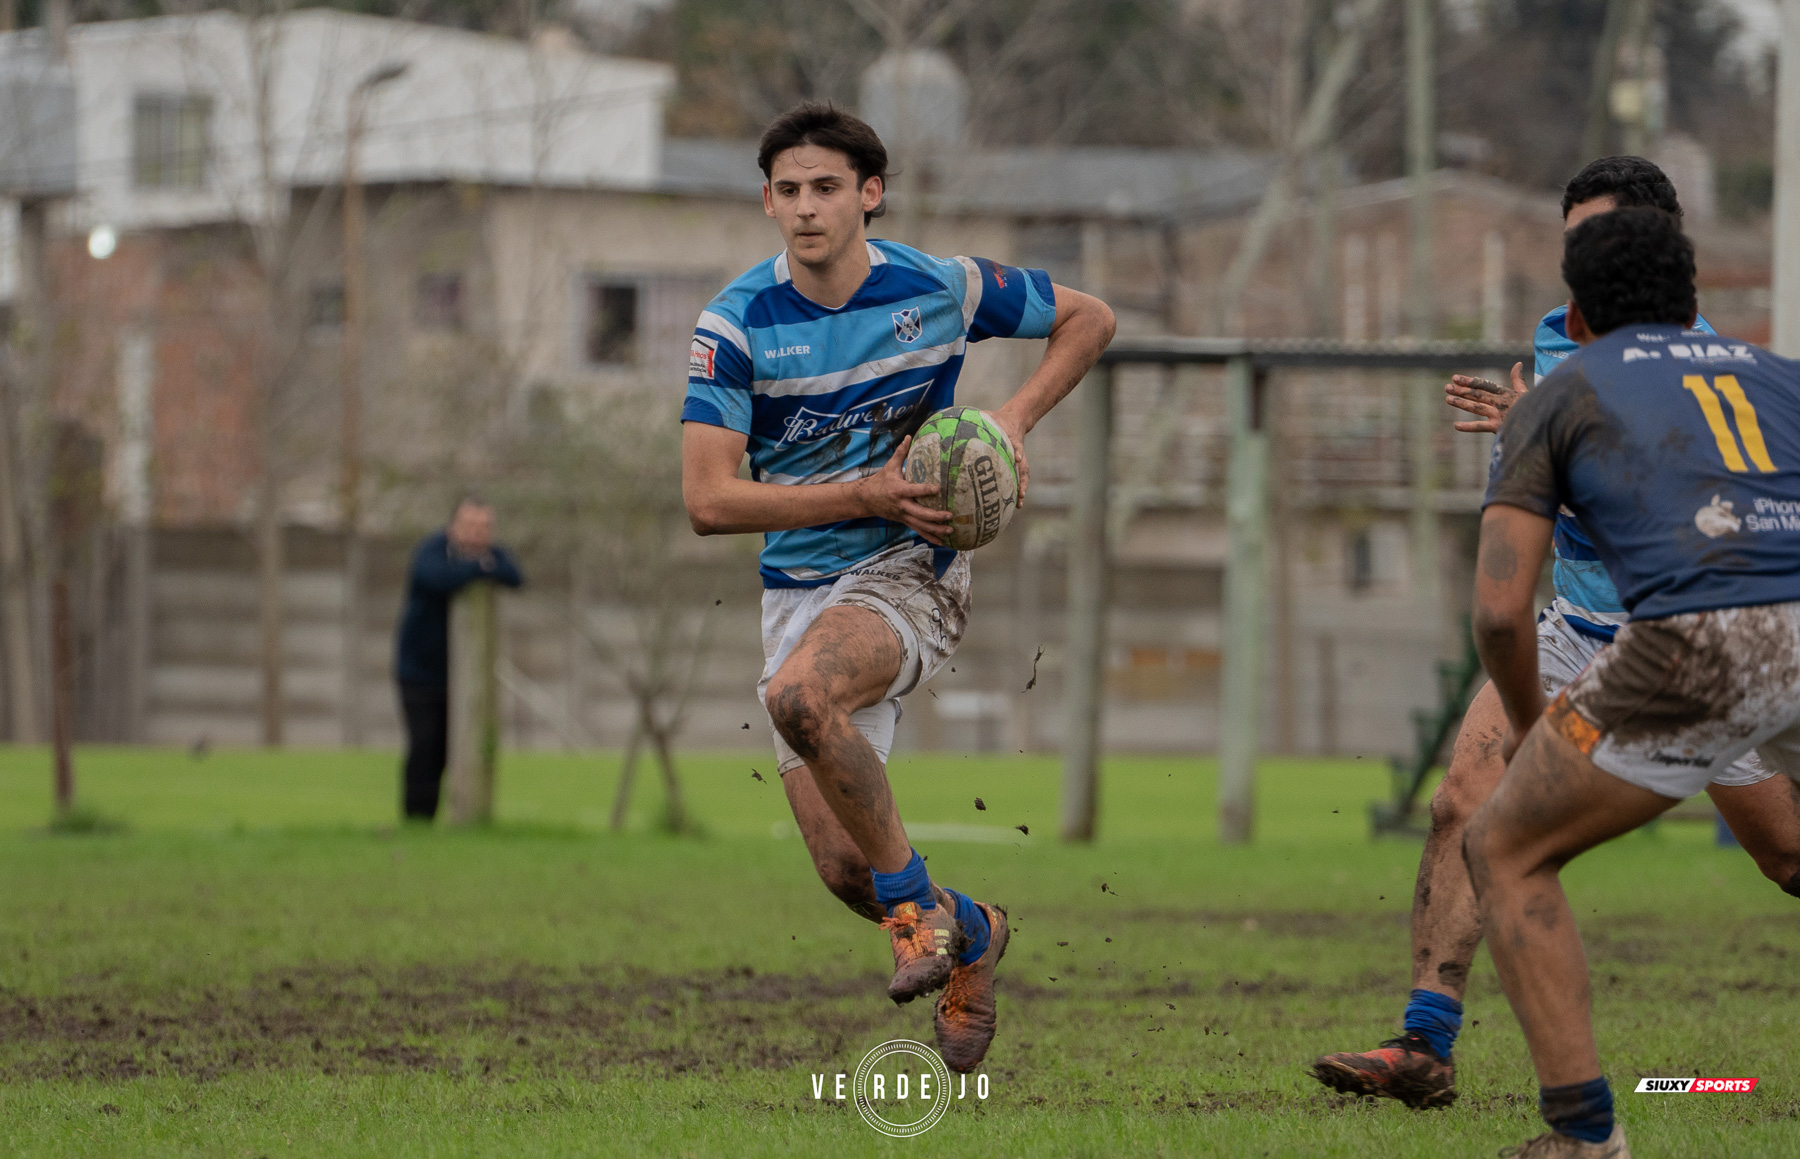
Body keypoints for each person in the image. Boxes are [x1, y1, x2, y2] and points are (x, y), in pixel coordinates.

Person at [1310, 156, 1800, 1108]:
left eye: (1595, 239)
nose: (1577, 257)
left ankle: (1583, 1125)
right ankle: (1426, 1039)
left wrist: (1543, 435)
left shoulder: (1620, 374)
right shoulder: (1718, 368)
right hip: (1590, 625)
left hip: (1677, 639)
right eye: (1570, 239)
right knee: (1466, 804)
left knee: (1784, 858)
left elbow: (1511, 589)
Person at [680, 103, 1114, 1073]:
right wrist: (859, 486)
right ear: (765, 201)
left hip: (912, 571)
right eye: (787, 190)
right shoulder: (735, 325)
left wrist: (1011, 421)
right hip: (800, 593)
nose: (805, 208)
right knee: (845, 867)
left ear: (869, 194)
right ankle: (975, 930)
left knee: (802, 696)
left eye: (826, 187)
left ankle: (917, 911)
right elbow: (707, 500)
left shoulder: (941, 288)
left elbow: (1092, 319)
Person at [1468, 206, 1800, 1157]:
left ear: (1573, 317)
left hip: (1702, 642)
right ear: (1693, 304)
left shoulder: (1558, 396)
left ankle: (1585, 1137)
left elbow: (1498, 610)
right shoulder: (1780, 377)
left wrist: (1535, 724)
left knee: (1506, 846)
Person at [394, 497, 523, 821]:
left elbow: (515, 576)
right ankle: (417, 819)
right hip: (420, 672)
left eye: (484, 528)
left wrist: (479, 565)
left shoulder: (493, 554)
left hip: (465, 676)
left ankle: (464, 813)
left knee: (458, 748)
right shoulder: (432, 550)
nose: (477, 535)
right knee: (425, 745)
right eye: (470, 527)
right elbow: (436, 578)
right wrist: (480, 567)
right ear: (453, 526)